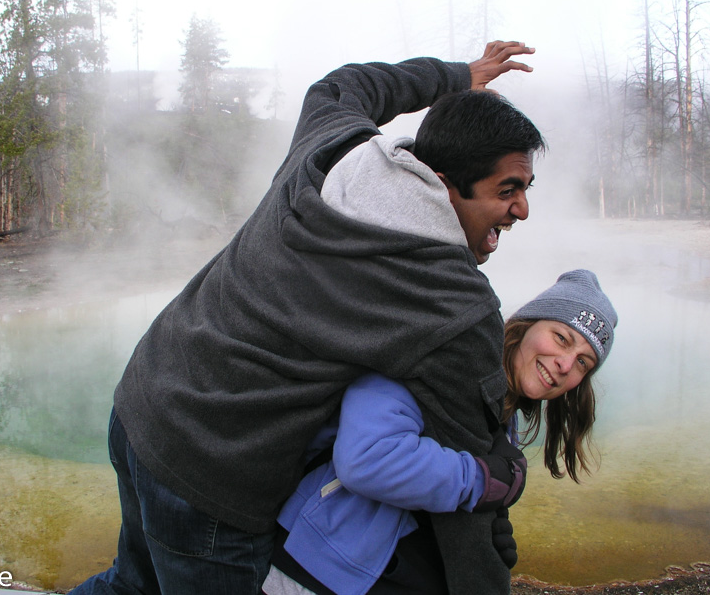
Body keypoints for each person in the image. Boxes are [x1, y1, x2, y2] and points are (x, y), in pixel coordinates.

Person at [72, 41, 545, 595]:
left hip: (143, 399)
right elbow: (470, 453)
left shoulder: (332, 147)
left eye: (525, 189)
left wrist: (457, 74)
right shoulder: (452, 301)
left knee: (132, 587)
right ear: (442, 182)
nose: (522, 210)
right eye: (506, 190)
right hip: (213, 472)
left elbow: (345, 84)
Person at [262, 269, 618, 595]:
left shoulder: (502, 411)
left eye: (583, 362)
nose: (565, 364)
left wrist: (485, 529)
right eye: (561, 338)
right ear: (525, 325)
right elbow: (368, 460)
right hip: (319, 568)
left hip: (385, 574)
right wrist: (482, 482)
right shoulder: (442, 357)